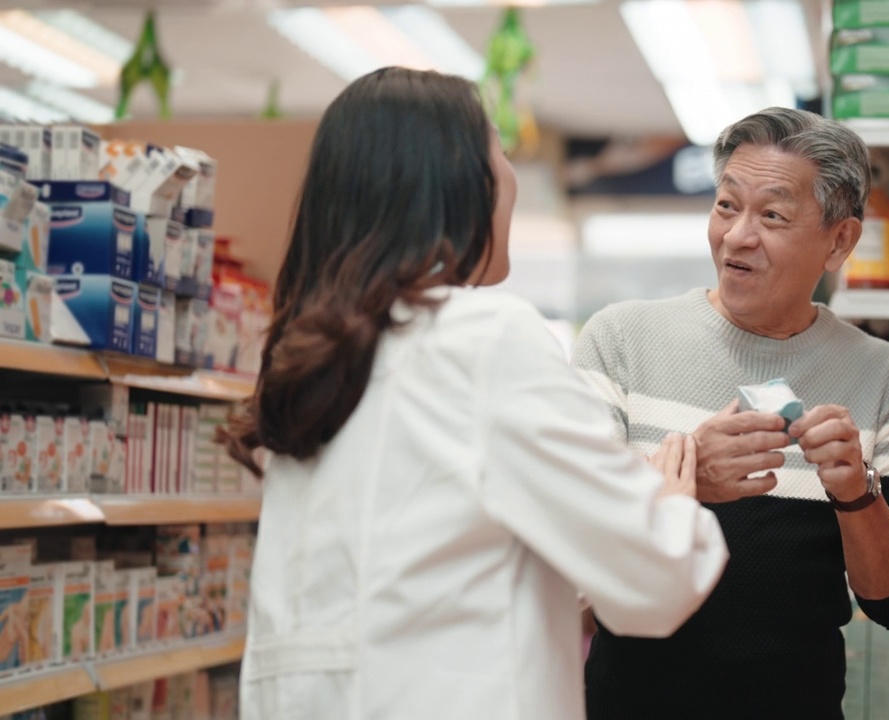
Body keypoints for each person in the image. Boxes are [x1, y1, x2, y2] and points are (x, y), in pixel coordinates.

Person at [226, 68, 729, 720]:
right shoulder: (483, 337)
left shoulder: (314, 363)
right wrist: (671, 496)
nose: (511, 177)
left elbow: (437, 567)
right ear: (455, 184)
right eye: (498, 151)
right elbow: (655, 579)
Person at [574, 107, 889, 719]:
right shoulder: (620, 341)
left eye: (772, 215)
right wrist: (687, 485)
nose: (738, 235)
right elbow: (567, 549)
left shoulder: (883, 375)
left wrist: (856, 493)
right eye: (726, 206)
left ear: (839, 241)